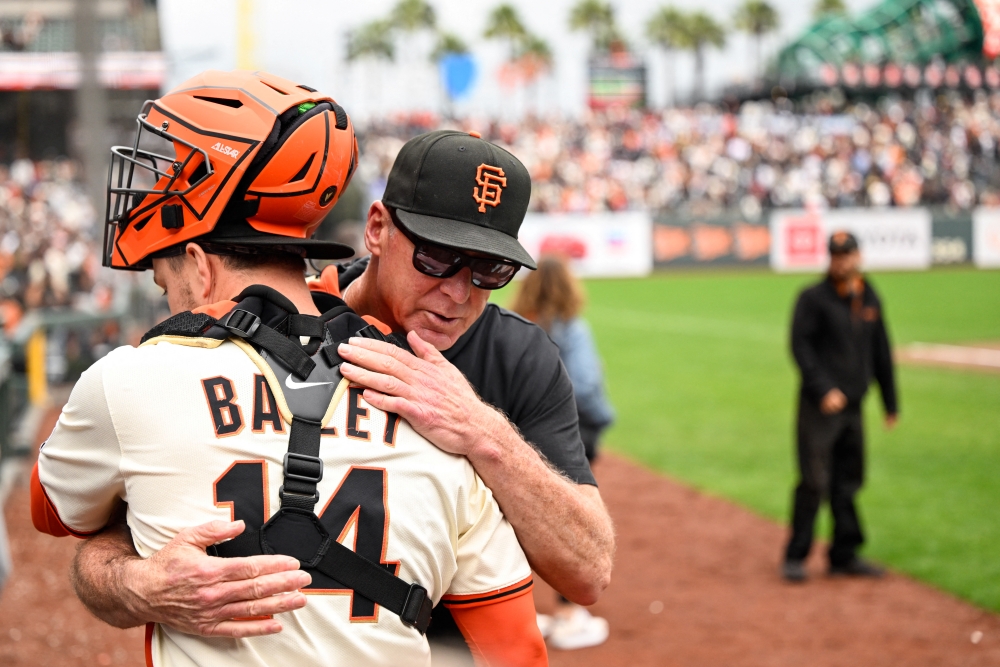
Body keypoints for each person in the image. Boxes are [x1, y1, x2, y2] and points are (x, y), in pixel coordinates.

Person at [32, 70, 547, 666]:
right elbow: (516, 649)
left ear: (199, 266)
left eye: (167, 280)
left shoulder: (126, 382)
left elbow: (54, 512)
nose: (170, 296)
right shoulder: (438, 409)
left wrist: (142, 553)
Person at [510, 254, 614, 649]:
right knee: (571, 523)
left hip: (519, 434)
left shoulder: (519, 325)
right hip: (567, 434)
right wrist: (605, 417)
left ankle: (518, 607)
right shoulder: (572, 328)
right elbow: (585, 386)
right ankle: (569, 613)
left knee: (517, 519)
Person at [782, 231, 899, 583]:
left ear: (857, 256)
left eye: (846, 254)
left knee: (849, 481)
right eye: (835, 255)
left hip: (854, 407)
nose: (841, 261)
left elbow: (881, 351)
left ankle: (844, 555)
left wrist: (890, 401)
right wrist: (823, 389)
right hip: (820, 408)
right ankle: (795, 556)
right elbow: (799, 347)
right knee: (814, 480)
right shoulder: (813, 298)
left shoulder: (869, 295)